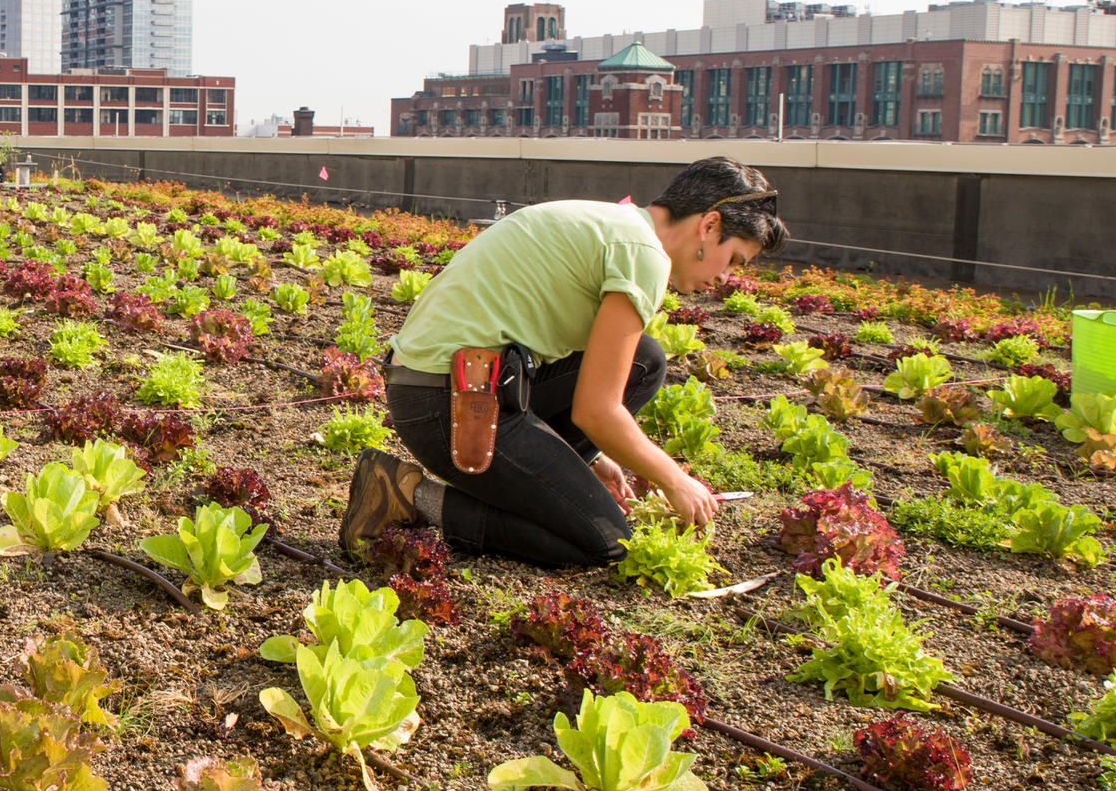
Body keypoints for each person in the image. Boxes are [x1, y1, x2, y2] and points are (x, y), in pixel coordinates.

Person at [338, 156, 789, 567]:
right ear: (709, 226)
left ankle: (546, 486)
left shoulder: (617, 224)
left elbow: (592, 387)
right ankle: (410, 495)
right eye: (733, 260)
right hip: (447, 405)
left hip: (452, 384)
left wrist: (588, 460)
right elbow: (597, 410)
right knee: (604, 540)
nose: (723, 279)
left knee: (644, 360)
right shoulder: (644, 256)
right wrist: (675, 479)